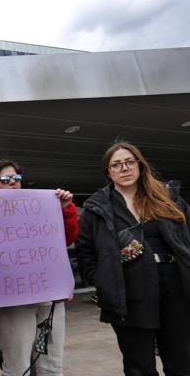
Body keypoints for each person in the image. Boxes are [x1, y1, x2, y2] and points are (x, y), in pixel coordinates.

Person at [75, 142, 190, 376]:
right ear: (108, 172)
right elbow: (85, 252)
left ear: (140, 165)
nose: (124, 168)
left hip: (176, 286)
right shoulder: (96, 208)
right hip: (128, 292)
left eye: (129, 162)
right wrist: (103, 280)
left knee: (182, 362)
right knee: (139, 366)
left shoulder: (168, 198)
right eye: (116, 165)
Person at [0, 160, 78, 376]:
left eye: (16, 179)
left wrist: (65, 210)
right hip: (13, 302)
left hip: (49, 301)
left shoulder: (40, 205)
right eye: (5, 179)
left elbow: (66, 239)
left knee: (51, 366)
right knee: (18, 368)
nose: (13, 183)